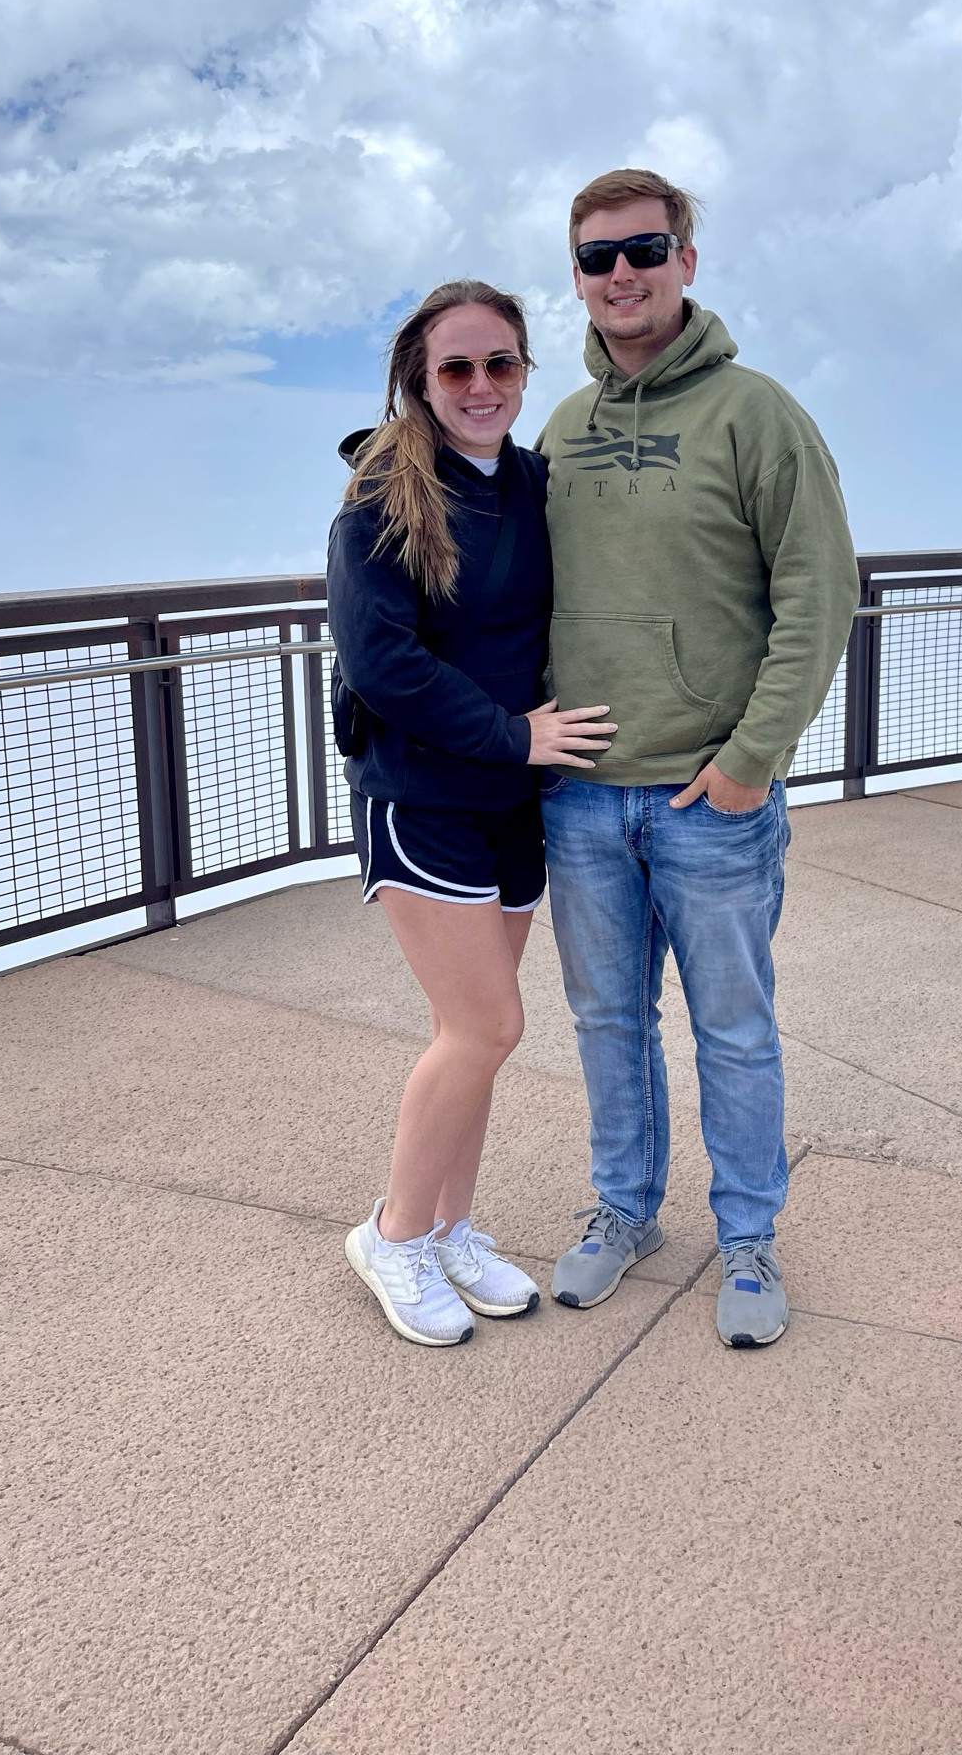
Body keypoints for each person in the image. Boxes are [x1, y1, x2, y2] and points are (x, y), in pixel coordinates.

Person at [537, 170, 860, 1347]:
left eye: (645, 247)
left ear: (685, 260)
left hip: (708, 800)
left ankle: (749, 1234)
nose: (621, 272)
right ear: (575, 273)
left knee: (733, 1027)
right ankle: (626, 1210)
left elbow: (821, 594)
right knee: (607, 1021)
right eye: (596, 255)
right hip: (581, 798)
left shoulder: (757, 412)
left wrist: (751, 760)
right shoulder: (560, 429)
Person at [327, 278, 615, 1348]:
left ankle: (451, 1228)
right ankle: (394, 1235)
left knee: (476, 1037)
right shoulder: (379, 495)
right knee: (486, 1023)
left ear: (527, 372)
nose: (482, 385)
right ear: (420, 378)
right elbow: (382, 662)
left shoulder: (537, 484)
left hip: (512, 802)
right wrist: (516, 733)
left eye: (501, 364)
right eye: (458, 367)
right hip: (423, 793)